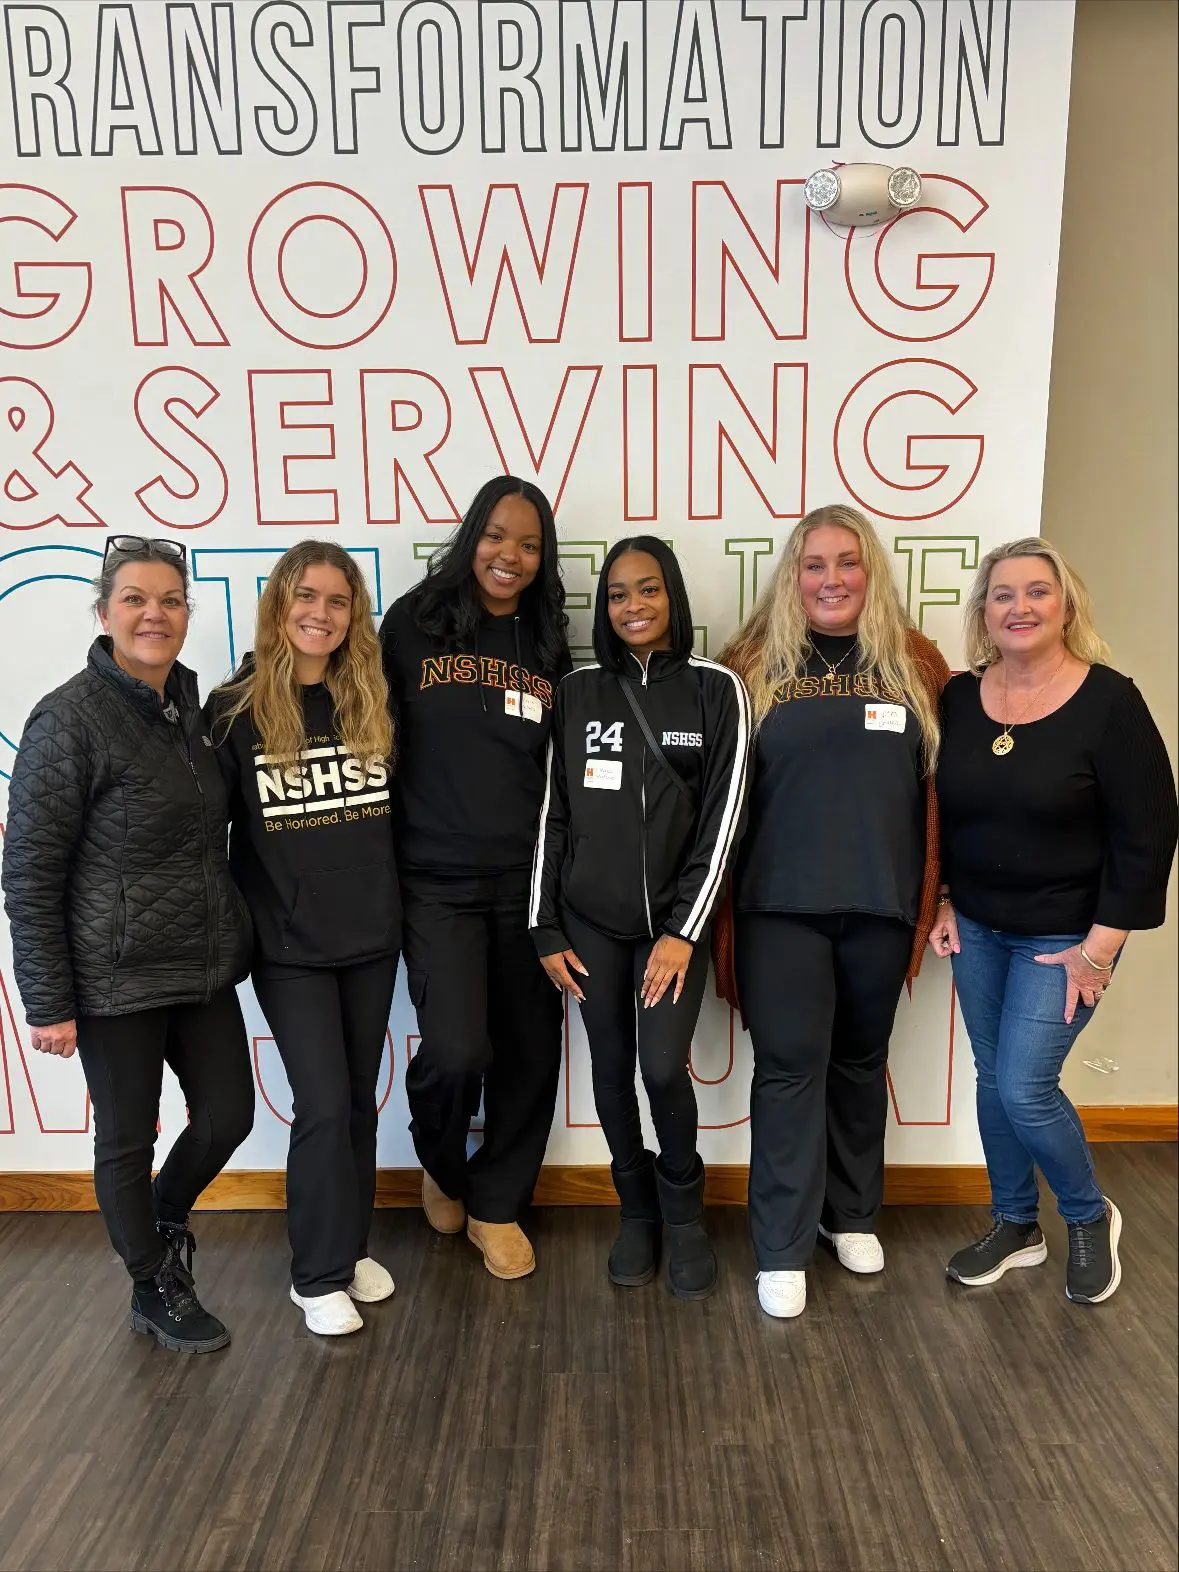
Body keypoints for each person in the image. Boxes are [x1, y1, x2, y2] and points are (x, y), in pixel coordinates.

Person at [1, 536, 254, 1354]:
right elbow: (30, 870)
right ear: (104, 612)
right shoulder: (68, 718)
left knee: (227, 1117)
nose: (155, 614)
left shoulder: (192, 711)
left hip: (202, 964)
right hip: (114, 975)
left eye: (170, 600)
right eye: (136, 599)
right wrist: (49, 1002)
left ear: (186, 612)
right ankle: (153, 1284)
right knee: (126, 1140)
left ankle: (161, 1221)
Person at [714, 504, 949, 1319]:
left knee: (858, 1062)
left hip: (882, 903)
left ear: (869, 570)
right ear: (792, 576)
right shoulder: (750, 665)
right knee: (788, 1071)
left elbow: (945, 792)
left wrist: (943, 893)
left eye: (847, 562)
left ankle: (849, 1215)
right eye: (814, 564)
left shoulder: (915, 663)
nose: (832, 579)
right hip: (777, 906)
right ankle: (781, 1247)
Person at [929, 537, 1177, 1305]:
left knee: (1024, 1086)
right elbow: (943, 814)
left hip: (1066, 938)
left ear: (1065, 606)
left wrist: (1098, 949)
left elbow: (1149, 831)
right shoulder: (958, 699)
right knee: (991, 1079)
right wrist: (942, 898)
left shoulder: (1109, 702)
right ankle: (1014, 1225)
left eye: (1036, 591)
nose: (1019, 607)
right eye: (1001, 594)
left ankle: (1085, 1215)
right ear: (983, 612)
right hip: (976, 928)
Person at [530, 538, 750, 1298]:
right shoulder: (577, 691)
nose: (633, 606)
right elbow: (554, 815)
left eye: (648, 589)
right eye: (618, 594)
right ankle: (636, 1211)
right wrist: (544, 925)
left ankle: (684, 1214)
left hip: (672, 931)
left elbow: (724, 819)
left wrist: (683, 933)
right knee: (610, 1071)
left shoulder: (716, 689)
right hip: (589, 923)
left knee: (660, 1066)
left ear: (672, 596)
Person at [380, 476, 572, 1280]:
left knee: (530, 1054)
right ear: (470, 538)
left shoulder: (548, 641)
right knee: (457, 1051)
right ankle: (442, 1163)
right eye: (496, 536)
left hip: (527, 885)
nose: (510, 557)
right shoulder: (412, 624)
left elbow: (561, 774)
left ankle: (496, 1205)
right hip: (434, 880)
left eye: (529, 545)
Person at [208, 542, 400, 1336]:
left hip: (371, 935)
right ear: (279, 605)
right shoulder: (234, 708)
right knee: (321, 1104)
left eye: (337, 600)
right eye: (306, 596)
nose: (320, 613)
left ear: (354, 615)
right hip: (288, 947)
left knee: (356, 1103)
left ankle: (348, 1248)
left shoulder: (373, 699)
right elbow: (204, 834)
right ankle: (314, 1276)